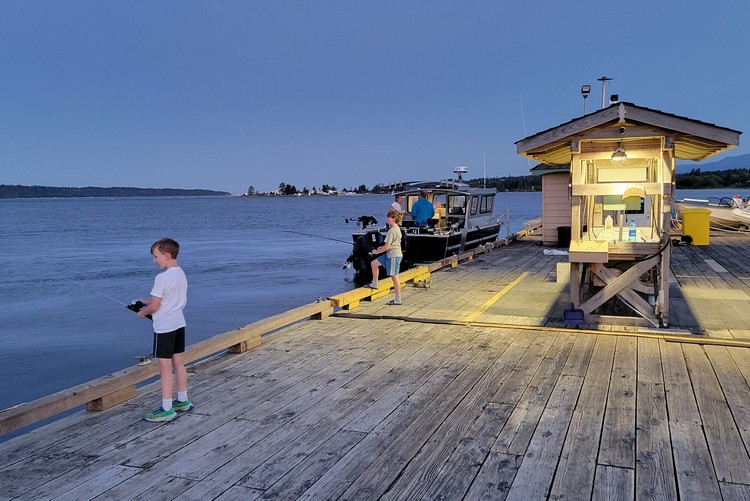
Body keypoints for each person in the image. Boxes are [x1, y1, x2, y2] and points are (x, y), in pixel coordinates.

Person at [135, 237, 193, 422]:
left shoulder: (161, 277)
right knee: (178, 363)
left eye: (156, 256)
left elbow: (155, 306)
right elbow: (168, 299)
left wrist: (143, 312)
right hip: (178, 324)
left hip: (164, 327)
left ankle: (167, 409)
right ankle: (183, 401)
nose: (154, 260)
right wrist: (146, 302)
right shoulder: (180, 273)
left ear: (166, 255)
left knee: (165, 368)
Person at [365, 209, 404, 305]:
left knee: (395, 278)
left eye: (389, 218)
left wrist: (376, 251)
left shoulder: (392, 231)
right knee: (374, 264)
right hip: (389, 255)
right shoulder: (397, 228)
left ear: (394, 219)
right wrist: (380, 247)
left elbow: (387, 247)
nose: (387, 219)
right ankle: (374, 283)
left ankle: (398, 299)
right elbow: (389, 245)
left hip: (394, 256)